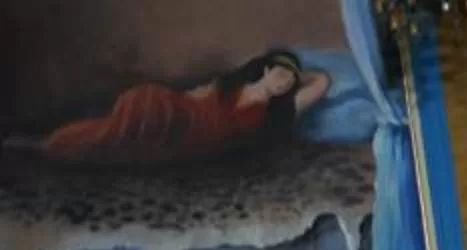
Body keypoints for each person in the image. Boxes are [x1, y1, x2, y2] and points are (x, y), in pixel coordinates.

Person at [4, 52, 333, 168]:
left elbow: (323, 83)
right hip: (183, 110)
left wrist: (301, 73)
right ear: (266, 69)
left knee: (117, 138)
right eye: (280, 73)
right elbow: (192, 95)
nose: (282, 82)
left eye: (289, 82)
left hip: (197, 136)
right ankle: (45, 141)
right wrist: (177, 102)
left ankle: (44, 145)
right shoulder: (231, 84)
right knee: (142, 101)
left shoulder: (279, 111)